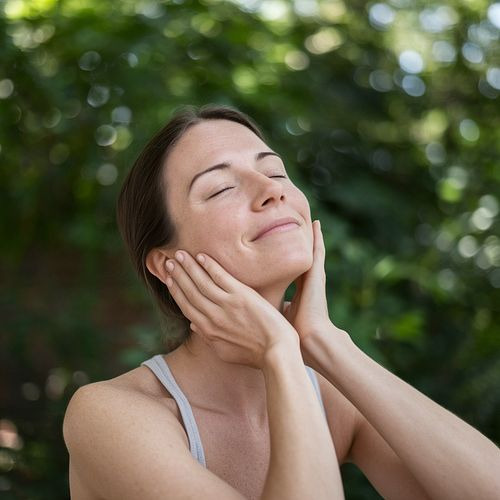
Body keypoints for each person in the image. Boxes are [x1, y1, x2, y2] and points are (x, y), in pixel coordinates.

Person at [62, 104, 500, 500]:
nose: (272, 191)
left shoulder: (330, 394)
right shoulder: (110, 415)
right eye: (221, 188)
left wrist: (326, 342)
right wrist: (279, 351)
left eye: (275, 173)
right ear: (166, 264)